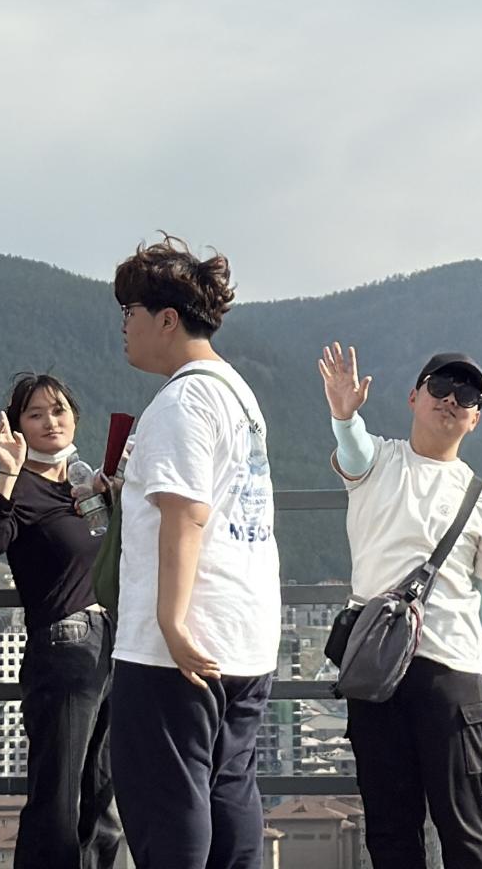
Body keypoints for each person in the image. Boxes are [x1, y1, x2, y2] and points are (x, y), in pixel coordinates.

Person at [106, 236, 281, 869]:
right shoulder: (238, 394)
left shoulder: (182, 401)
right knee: (229, 790)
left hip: (177, 645)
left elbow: (186, 514)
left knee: (167, 804)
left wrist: (170, 623)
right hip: (245, 634)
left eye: (130, 312)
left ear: (166, 320)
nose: (124, 326)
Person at [319, 342, 482, 869]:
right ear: (413, 396)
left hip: (451, 671)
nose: (451, 399)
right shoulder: (379, 461)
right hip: (376, 671)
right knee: (389, 826)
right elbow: (353, 447)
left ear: (476, 418)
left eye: (467, 395)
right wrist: (344, 414)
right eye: (441, 386)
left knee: (463, 825)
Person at [0, 373, 123, 869]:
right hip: (64, 644)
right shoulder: (23, 488)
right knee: (57, 795)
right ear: (19, 427)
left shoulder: (86, 483)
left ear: (74, 416)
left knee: (102, 793)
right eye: (35, 414)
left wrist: (114, 495)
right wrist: (7, 473)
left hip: (112, 641)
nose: (50, 422)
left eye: (58, 410)